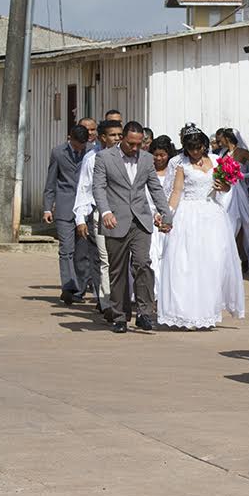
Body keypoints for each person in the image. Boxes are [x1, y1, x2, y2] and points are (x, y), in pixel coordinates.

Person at [158, 125, 244, 329]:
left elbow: (226, 186)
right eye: (190, 149)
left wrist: (224, 186)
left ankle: (208, 310)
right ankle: (187, 313)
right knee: (188, 264)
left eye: (197, 148)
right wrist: (167, 215)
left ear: (204, 145)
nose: (194, 152)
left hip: (212, 216)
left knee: (212, 263)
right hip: (188, 215)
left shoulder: (216, 161)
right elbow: (176, 192)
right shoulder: (182, 165)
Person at [92, 121, 172, 334]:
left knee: (143, 264)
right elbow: (98, 187)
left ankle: (145, 313)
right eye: (131, 144)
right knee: (117, 270)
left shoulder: (146, 159)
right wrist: (106, 212)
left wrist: (167, 214)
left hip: (141, 220)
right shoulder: (104, 157)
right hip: (115, 220)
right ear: (122, 139)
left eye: (139, 144)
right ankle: (119, 316)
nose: (135, 149)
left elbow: (155, 187)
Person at [73, 119, 124, 321]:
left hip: (125, 214)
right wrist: (80, 219)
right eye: (113, 135)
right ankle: (107, 303)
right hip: (100, 214)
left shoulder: (129, 157)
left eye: (120, 135)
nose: (118, 139)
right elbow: (84, 189)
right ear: (102, 138)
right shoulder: (91, 159)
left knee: (122, 261)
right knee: (104, 260)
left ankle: (122, 301)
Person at [43, 124, 91, 305]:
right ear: (70, 139)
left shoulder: (92, 153)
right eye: (78, 145)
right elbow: (51, 181)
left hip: (85, 208)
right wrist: (47, 207)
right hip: (64, 207)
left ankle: (79, 290)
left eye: (83, 145)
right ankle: (68, 287)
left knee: (83, 252)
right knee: (66, 250)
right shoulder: (57, 152)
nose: (80, 148)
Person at [217, 128, 249, 268]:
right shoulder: (223, 153)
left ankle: (242, 256)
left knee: (238, 221)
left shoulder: (242, 152)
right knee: (225, 221)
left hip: (237, 191)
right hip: (224, 191)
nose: (219, 141)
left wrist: (243, 176)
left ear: (227, 138)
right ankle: (232, 256)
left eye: (221, 138)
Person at [147, 136, 176, 295]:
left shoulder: (173, 171)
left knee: (166, 257)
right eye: (155, 154)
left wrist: (165, 214)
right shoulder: (147, 169)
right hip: (150, 218)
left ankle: (165, 293)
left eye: (162, 155)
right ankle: (153, 292)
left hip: (167, 218)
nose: (158, 158)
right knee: (151, 257)